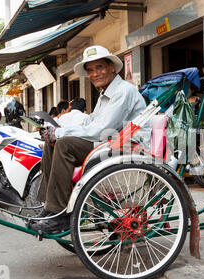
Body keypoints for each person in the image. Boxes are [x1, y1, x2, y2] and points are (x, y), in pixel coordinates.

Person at [30, 45, 149, 233]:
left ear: (112, 68)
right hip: (110, 142)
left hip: (129, 147)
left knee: (64, 145)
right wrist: (56, 130)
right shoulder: (105, 95)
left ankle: (59, 214)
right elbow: (89, 124)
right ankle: (49, 207)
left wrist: (61, 134)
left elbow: (100, 129)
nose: (95, 74)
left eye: (100, 67)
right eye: (91, 70)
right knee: (52, 142)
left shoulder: (123, 91)